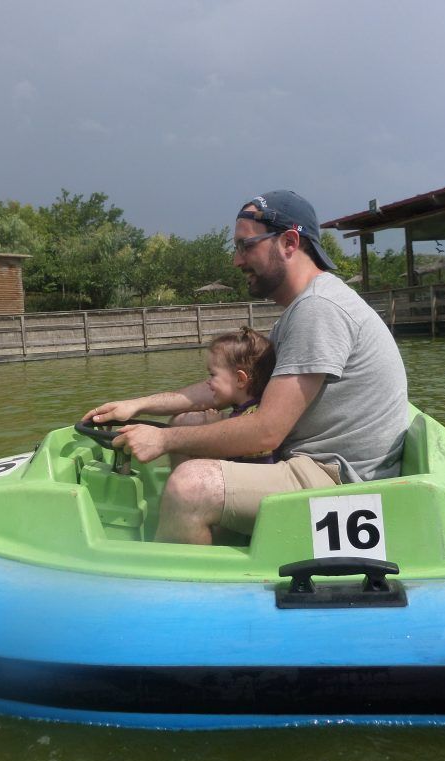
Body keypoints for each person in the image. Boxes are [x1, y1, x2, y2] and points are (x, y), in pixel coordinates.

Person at [84, 189, 409, 544]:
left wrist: (162, 438)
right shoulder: (300, 311)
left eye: (245, 246)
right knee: (188, 422)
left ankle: (190, 578)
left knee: (190, 486)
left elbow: (267, 431)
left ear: (288, 242)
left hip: (342, 482)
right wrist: (139, 405)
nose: (237, 261)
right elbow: (229, 388)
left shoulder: (320, 310)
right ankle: (205, 534)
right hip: (311, 462)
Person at [174, 326, 276, 464]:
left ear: (240, 379)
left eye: (213, 375)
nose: (208, 382)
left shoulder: (251, 420)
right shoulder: (249, 411)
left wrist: (214, 431)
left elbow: (243, 467)